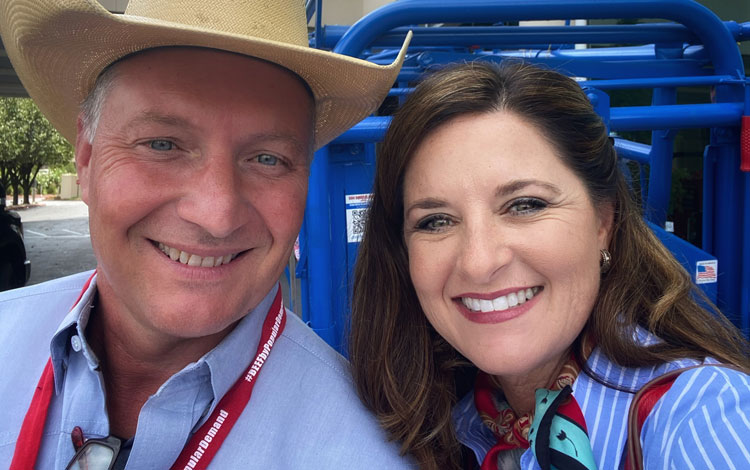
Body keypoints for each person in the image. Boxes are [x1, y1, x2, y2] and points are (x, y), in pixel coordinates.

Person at [0, 0, 415, 468]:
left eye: (267, 159)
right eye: (162, 144)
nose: (216, 215)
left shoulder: (363, 454)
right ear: (87, 158)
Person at [349, 61, 750, 470]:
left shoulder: (699, 417)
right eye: (436, 221)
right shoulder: (447, 427)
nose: (479, 262)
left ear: (603, 222)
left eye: (525, 205)